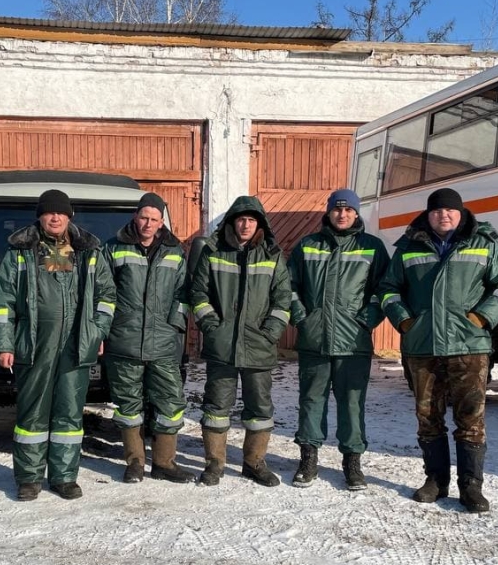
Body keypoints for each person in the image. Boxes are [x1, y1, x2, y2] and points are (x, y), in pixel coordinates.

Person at [379, 187, 498, 512]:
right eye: (438, 210)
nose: (444, 215)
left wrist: (483, 316)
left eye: (450, 210)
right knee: (428, 416)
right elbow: (388, 289)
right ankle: (435, 481)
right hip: (421, 346)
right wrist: (404, 322)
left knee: (471, 418)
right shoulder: (408, 248)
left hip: (468, 346)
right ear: (428, 215)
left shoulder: (484, 244)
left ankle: (471, 486)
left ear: (461, 214)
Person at [0, 189, 116, 501]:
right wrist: (4, 343)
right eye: (49, 212)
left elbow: (107, 297)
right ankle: (29, 478)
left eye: (61, 212)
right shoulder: (20, 253)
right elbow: (3, 302)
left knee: (69, 415)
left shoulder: (88, 252)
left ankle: (63, 477)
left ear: (69, 216)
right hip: (34, 344)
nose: (55, 217)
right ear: (40, 216)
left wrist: (96, 331)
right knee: (32, 415)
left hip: (76, 344)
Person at [288, 189, 390, 490]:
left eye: (348, 210)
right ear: (328, 212)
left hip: (354, 343)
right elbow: (289, 287)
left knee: (352, 404)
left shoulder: (372, 247)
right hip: (314, 341)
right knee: (310, 401)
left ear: (356, 213)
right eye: (336, 209)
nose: (342, 214)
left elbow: (383, 290)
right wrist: (302, 319)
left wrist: (367, 321)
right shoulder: (307, 245)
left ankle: (352, 464)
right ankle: (308, 459)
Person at [191, 196, 291, 487]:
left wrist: (270, 332)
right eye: (241, 219)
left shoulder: (272, 255)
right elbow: (199, 294)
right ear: (232, 221)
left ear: (259, 223)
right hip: (222, 347)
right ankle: (214, 464)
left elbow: (283, 299)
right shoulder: (213, 251)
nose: (246, 224)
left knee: (259, 410)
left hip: (258, 347)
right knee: (216, 408)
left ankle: (254, 462)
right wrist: (212, 327)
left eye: (252, 219)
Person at [103, 192, 195, 484]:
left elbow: (183, 294)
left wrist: (175, 327)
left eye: (154, 219)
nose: (148, 223)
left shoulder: (174, 251)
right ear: (135, 217)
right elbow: (103, 293)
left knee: (169, 402)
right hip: (124, 342)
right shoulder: (113, 248)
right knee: (129, 405)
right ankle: (135, 462)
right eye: (144, 217)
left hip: (164, 344)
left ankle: (165, 462)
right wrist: (105, 331)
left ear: (161, 222)